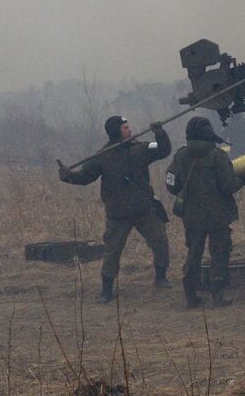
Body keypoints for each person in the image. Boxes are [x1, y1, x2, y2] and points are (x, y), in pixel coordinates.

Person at [58, 115, 172, 303]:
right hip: (118, 214)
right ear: (116, 131)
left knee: (160, 241)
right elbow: (85, 178)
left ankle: (161, 278)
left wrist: (160, 133)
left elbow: (164, 150)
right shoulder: (102, 156)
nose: (130, 130)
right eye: (126, 127)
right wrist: (68, 176)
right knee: (112, 251)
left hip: (144, 209)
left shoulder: (141, 149)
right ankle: (106, 290)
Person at [165, 117, 245, 308]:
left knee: (194, 253)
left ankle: (191, 295)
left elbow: (170, 183)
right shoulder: (217, 156)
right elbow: (228, 186)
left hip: (192, 216)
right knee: (219, 254)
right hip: (217, 216)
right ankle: (218, 295)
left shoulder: (180, 156)